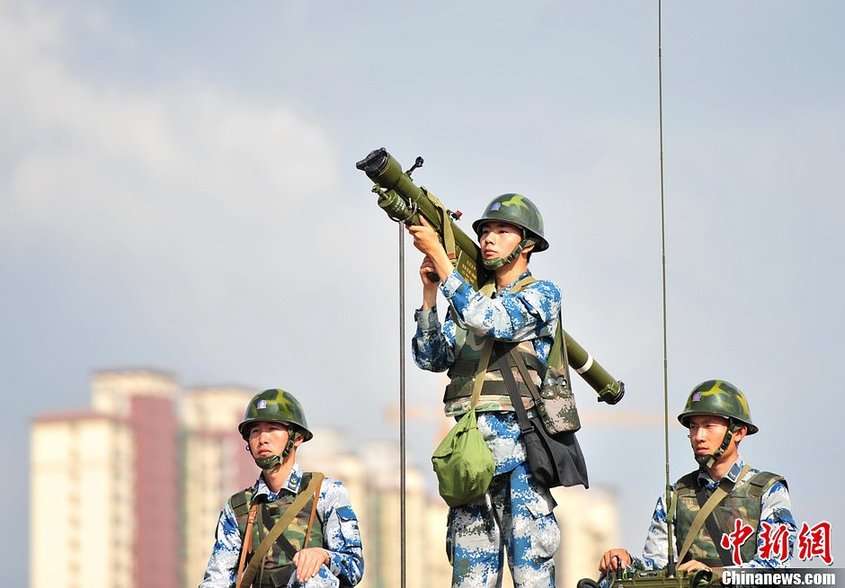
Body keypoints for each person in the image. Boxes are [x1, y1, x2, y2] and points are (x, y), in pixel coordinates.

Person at [409, 193, 587, 588]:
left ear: (526, 244)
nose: (488, 238)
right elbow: (432, 358)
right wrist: (430, 295)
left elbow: (495, 322)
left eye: (501, 231)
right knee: (470, 579)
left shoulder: (542, 295)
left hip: (522, 458)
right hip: (472, 463)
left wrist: (442, 257)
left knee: (532, 577)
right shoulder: (469, 297)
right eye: (485, 231)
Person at [597, 380, 796, 582]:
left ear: (738, 432)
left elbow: (775, 568)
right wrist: (626, 562)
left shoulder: (767, 490)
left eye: (708, 426)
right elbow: (658, 567)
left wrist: (715, 575)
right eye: (693, 427)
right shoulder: (676, 496)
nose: (698, 436)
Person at [200, 389, 364, 588]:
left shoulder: (325, 493)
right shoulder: (239, 507)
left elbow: (354, 566)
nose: (263, 439)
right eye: (255, 431)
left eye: (272, 428)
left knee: (312, 575)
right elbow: (217, 580)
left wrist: (323, 556)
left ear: (297, 438)